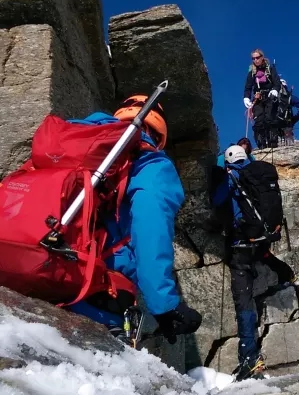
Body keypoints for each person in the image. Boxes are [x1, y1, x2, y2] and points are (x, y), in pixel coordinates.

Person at [66, 96, 202, 345]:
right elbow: (150, 229)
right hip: (96, 292)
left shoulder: (72, 140)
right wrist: (164, 305)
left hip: (40, 267)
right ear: (158, 134)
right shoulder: (151, 163)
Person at [210, 145, 295, 381]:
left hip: (240, 246)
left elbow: (217, 199)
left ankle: (249, 357)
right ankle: (285, 274)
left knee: (244, 303)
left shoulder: (232, 176)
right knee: (262, 255)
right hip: (261, 239)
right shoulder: (259, 173)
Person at [243, 49, 282, 149]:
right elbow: (248, 87)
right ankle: (261, 145)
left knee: (270, 118)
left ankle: (273, 143)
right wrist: (246, 97)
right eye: (253, 58)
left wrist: (275, 90)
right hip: (258, 98)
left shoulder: (270, 69)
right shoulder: (252, 72)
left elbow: (277, 82)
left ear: (262, 57)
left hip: (270, 97)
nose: (255, 60)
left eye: (257, 58)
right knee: (259, 121)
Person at [276, 79, 299, 145]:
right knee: (289, 145)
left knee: (275, 145)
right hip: (288, 123)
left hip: (275, 124)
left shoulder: (273, 97)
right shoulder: (290, 97)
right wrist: (295, 119)